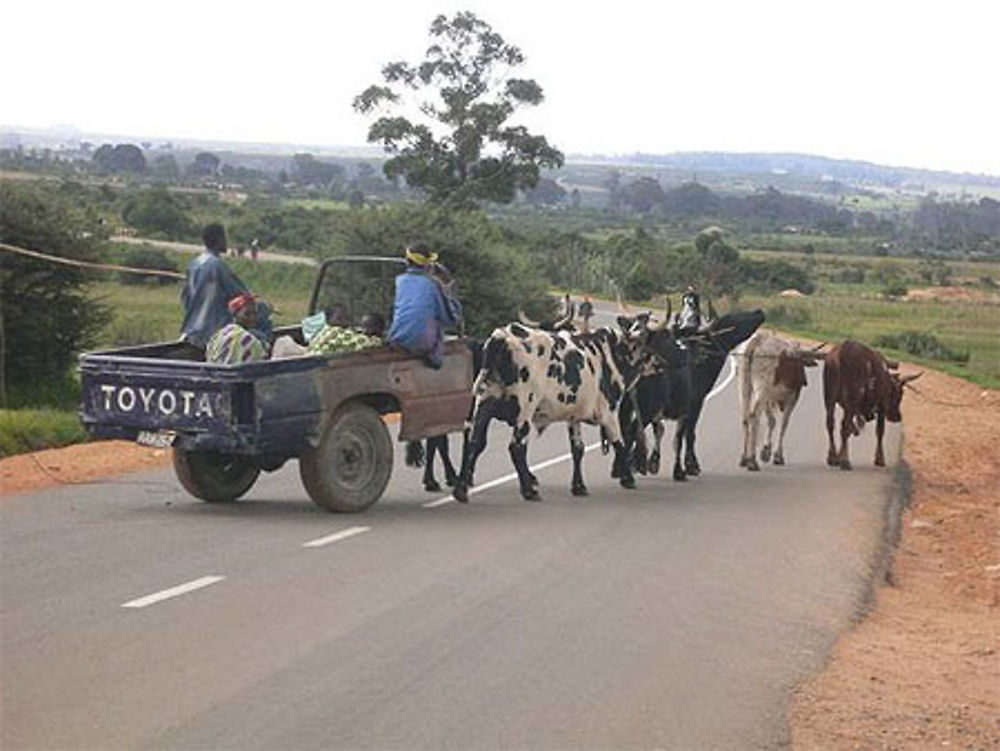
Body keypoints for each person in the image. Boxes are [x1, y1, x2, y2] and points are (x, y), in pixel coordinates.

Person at [387, 243, 462, 369]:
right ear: (428, 264)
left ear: (407, 261)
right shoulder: (433, 284)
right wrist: (449, 293)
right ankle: (434, 361)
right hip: (423, 343)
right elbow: (451, 319)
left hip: (397, 338)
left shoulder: (400, 281)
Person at [180, 223, 250, 351]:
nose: (226, 242)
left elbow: (185, 298)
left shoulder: (194, 263)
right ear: (218, 240)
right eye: (224, 238)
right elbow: (241, 295)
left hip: (191, 331)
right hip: (213, 333)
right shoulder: (218, 266)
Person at [205, 293, 269, 364]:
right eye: (247, 314)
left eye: (255, 313)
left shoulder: (218, 335)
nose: (252, 317)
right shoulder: (247, 339)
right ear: (235, 315)